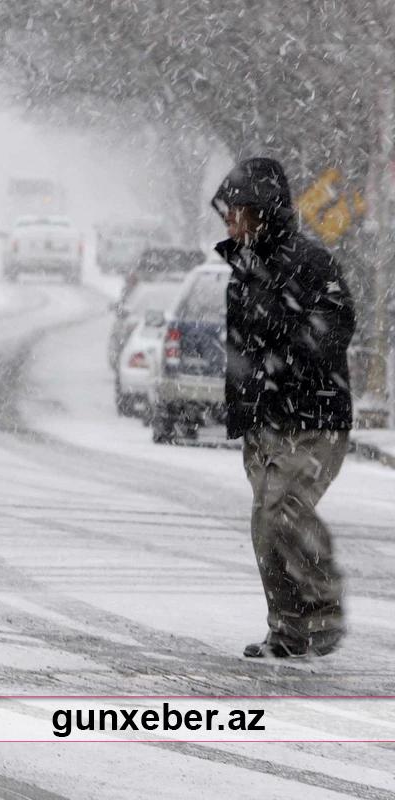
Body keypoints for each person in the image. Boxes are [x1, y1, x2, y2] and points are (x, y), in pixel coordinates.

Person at [212, 157, 355, 659]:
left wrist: (291, 352)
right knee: (266, 527)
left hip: (313, 418)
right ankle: (289, 630)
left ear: (261, 211)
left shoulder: (310, 263)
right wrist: (241, 409)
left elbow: (337, 324)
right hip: (265, 423)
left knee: (284, 513)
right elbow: (239, 350)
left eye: (236, 210)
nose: (229, 220)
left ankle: (323, 608)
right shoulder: (243, 272)